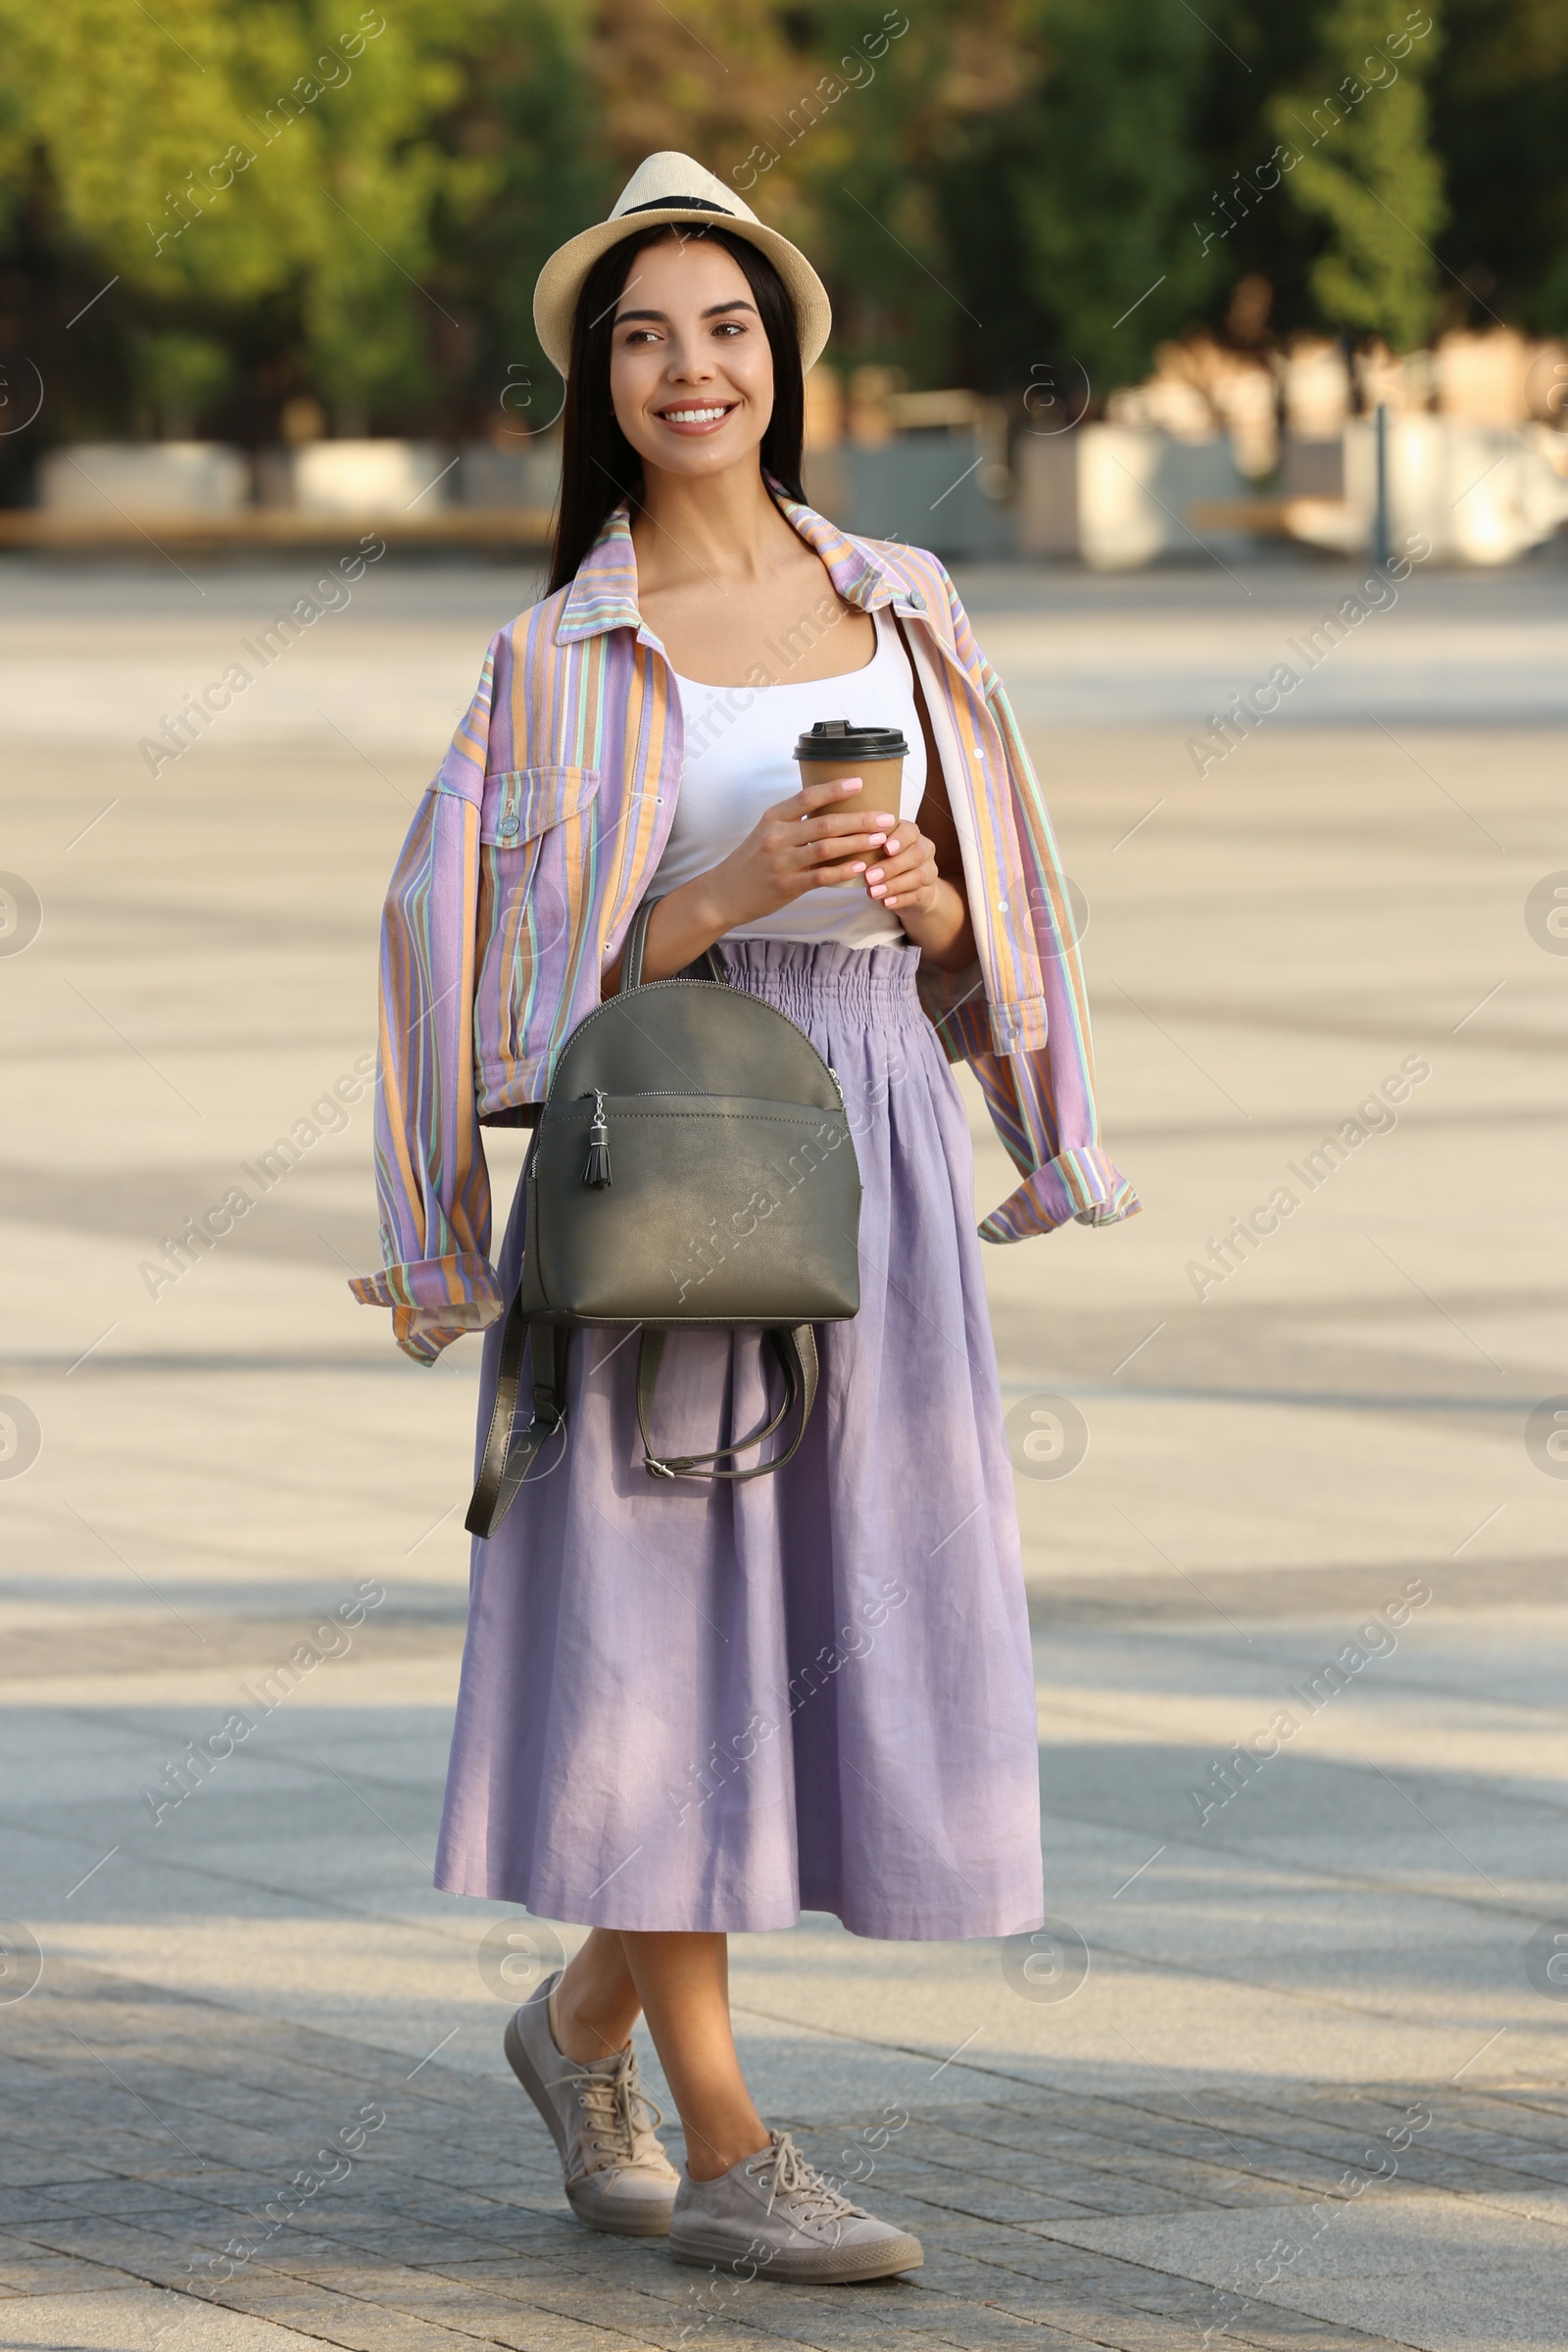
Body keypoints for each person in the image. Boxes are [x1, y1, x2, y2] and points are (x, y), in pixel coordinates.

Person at [350, 151, 1137, 2284]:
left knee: (814, 1647)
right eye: (639, 336)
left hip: (869, 1125)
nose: (686, 367)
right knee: (667, 1660)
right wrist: (715, 905)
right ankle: (726, 2144)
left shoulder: (906, 601)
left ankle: (578, 2025)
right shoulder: (554, 656)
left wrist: (923, 907)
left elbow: (1008, 902)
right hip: (675, 1159)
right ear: (599, 385)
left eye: (720, 327)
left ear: (781, 356)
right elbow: (456, 954)